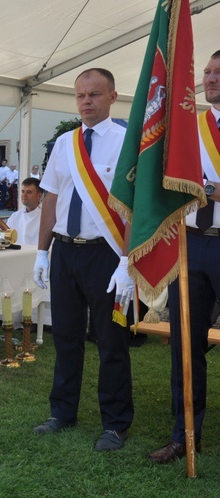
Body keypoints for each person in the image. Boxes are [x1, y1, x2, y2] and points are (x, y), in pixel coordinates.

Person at [32, 67, 134, 452]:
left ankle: (116, 423)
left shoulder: (128, 141)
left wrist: (126, 261)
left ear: (112, 97)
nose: (87, 102)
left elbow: (132, 206)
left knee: (111, 340)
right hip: (65, 252)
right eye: (81, 96)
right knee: (67, 337)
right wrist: (42, 251)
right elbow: (51, 199)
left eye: (94, 94)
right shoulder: (64, 143)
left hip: (106, 254)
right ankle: (62, 412)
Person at [148, 51, 220, 464]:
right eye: (206, 73)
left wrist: (209, 190)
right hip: (191, 244)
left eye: (217, 73)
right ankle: (184, 434)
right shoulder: (188, 129)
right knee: (186, 346)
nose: (209, 79)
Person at [6, 177, 43, 246]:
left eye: (29, 192)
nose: (24, 195)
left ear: (39, 196)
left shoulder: (47, 216)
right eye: (23, 191)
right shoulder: (15, 216)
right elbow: (5, 239)